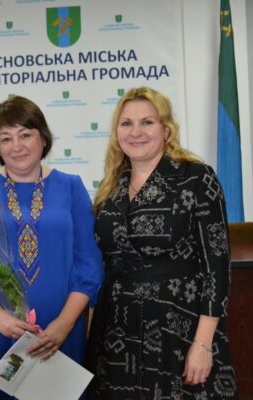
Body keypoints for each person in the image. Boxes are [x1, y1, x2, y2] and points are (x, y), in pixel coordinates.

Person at [0, 95, 104, 399]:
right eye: (6, 138)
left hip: (57, 337)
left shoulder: (71, 187)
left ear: (43, 138)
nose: (17, 146)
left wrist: (65, 323)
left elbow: (89, 265)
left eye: (25, 134)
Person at [86, 87, 238, 399]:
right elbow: (102, 263)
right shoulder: (111, 186)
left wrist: (203, 343)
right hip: (117, 333)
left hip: (179, 331)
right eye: (126, 123)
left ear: (166, 130)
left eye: (147, 122)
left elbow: (217, 268)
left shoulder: (196, 178)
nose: (136, 132)